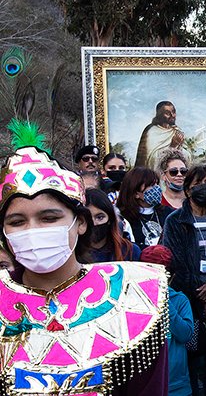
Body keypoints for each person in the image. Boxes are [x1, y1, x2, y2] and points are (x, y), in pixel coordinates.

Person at [0, 130, 169, 394]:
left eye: (49, 218)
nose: (33, 231)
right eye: (17, 222)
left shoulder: (131, 296)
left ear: (80, 223)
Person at [161, 164, 206, 396]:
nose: (203, 189)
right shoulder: (175, 221)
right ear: (188, 190)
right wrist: (203, 298)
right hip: (190, 304)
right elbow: (178, 264)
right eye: (197, 184)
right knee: (192, 362)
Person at [140, 245, 195, 396]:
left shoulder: (179, 300)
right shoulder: (133, 301)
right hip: (144, 385)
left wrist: (164, 301)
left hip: (176, 386)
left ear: (171, 277)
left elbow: (185, 335)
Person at [116, 167, 175, 248]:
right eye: (151, 185)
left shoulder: (169, 213)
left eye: (157, 184)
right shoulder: (123, 218)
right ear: (136, 193)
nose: (156, 189)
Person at [86, 187, 141, 262]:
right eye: (87, 217)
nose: (94, 223)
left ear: (110, 219)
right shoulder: (71, 255)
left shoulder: (130, 251)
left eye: (100, 217)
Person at [136, 101, 186, 170]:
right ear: (160, 115)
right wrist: (172, 146)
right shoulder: (151, 131)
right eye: (167, 113)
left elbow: (185, 155)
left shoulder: (177, 130)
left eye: (173, 112)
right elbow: (151, 160)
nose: (172, 115)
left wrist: (180, 146)